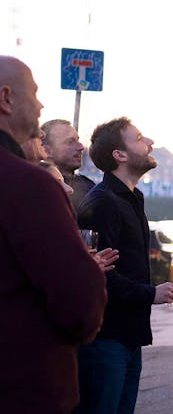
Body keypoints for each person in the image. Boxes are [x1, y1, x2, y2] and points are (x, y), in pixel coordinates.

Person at [0, 56, 106, 413]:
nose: (42, 105)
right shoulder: (28, 185)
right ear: (6, 98)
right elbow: (80, 298)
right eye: (35, 92)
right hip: (23, 387)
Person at [76, 117, 173, 414]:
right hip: (105, 339)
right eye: (138, 138)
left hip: (128, 337)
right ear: (119, 155)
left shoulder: (133, 198)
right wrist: (152, 294)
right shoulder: (103, 202)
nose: (149, 142)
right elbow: (99, 276)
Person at [42, 118, 96, 212]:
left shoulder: (90, 188)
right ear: (47, 151)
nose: (81, 147)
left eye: (78, 140)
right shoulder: (37, 187)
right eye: (70, 142)